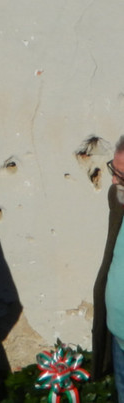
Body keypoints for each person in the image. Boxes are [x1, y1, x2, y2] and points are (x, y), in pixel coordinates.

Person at [93, 135, 124, 401]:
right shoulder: (118, 199)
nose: (114, 181)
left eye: (122, 176)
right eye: (115, 170)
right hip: (119, 338)